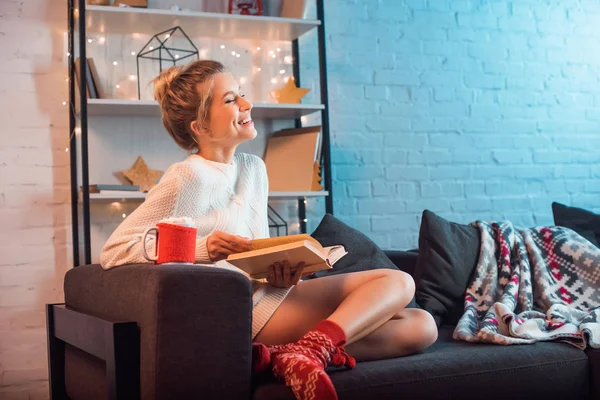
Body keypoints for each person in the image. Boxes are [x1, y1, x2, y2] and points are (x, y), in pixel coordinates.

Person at [100, 60, 437, 400]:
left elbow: (254, 249)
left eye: (241, 94)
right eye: (231, 99)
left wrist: (279, 272)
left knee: (422, 326)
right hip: (245, 312)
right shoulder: (187, 177)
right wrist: (203, 249)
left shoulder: (253, 169)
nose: (246, 104)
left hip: (275, 294)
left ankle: (292, 354)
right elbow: (113, 250)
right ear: (200, 126)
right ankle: (306, 351)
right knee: (400, 281)